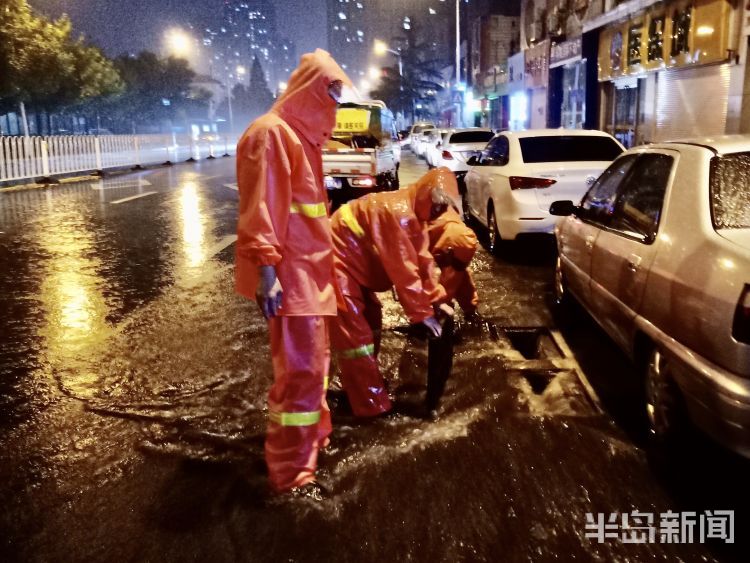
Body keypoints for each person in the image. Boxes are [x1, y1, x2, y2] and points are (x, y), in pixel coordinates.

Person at [235, 49, 352, 496]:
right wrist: (269, 273)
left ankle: (310, 441)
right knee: (301, 374)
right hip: (292, 282)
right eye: (332, 92)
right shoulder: (272, 135)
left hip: (310, 279)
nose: (336, 105)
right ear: (310, 88)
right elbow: (261, 211)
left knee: (314, 368)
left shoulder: (300, 139)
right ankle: (291, 470)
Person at [329, 167, 457, 418]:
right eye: (437, 205)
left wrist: (436, 298)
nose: (439, 212)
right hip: (337, 261)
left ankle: (357, 383)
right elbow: (403, 269)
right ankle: (370, 406)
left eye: (444, 208)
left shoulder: (413, 216)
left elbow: (422, 261)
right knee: (356, 336)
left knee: (372, 321)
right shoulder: (397, 213)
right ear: (426, 194)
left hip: (353, 264)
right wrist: (422, 314)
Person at [426, 187, 480, 319]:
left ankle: (440, 317)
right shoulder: (444, 201)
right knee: (459, 275)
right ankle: (471, 311)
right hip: (464, 237)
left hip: (451, 240)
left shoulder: (421, 206)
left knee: (447, 286)